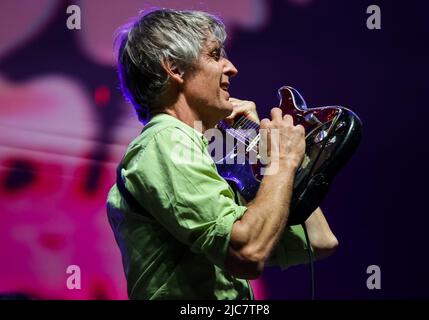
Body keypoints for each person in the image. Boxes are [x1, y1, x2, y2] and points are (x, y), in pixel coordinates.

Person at [106, 8, 338, 300]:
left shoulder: (200, 153)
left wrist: (264, 152)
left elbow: (318, 240)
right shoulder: (165, 141)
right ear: (174, 69)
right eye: (215, 55)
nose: (231, 68)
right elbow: (247, 252)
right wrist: (283, 161)